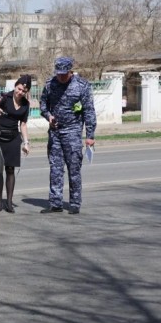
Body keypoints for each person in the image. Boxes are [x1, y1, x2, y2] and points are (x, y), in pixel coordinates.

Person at [39, 57, 96, 215]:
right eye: (59, 74)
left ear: (70, 71)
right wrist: (48, 116)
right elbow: (43, 104)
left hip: (73, 131)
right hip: (55, 132)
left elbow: (89, 111)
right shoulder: (50, 84)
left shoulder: (81, 85)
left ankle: (75, 202)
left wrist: (90, 135)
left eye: (64, 74)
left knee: (74, 169)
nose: (61, 77)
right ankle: (55, 202)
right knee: (55, 168)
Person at [0, 75, 32, 213]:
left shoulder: (26, 105)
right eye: (19, 89)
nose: (20, 92)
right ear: (15, 86)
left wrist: (26, 143)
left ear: (26, 92)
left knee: (10, 170)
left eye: (23, 91)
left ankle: (9, 202)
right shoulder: (5, 97)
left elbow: (23, 125)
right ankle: (0, 201)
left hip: (13, 138)